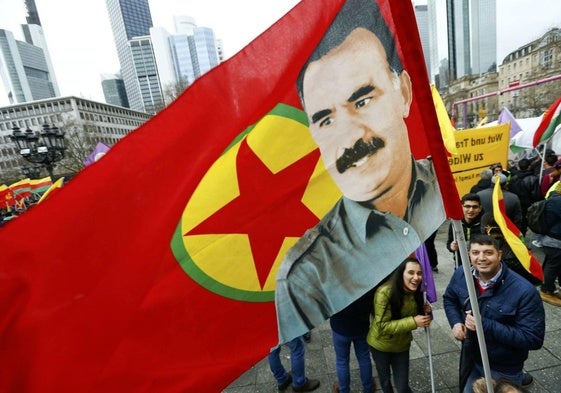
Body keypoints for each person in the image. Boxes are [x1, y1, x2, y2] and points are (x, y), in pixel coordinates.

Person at [275, 0, 445, 343]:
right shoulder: (306, 278)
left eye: (363, 101)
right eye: (326, 119)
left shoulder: (444, 188)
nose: (350, 136)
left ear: (405, 93)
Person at [443, 234, 545, 393]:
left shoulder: (524, 291)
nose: (481, 258)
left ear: (499, 255)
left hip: (503, 369)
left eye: (488, 252)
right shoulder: (462, 273)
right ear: (468, 254)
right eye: (475, 253)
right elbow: (450, 299)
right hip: (471, 358)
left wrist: (484, 324)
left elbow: (533, 338)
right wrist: (456, 322)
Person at [367, 257, 432, 393]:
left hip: (402, 346)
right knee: (385, 383)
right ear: (401, 273)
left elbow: (421, 318)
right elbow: (382, 326)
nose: (416, 277)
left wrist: (426, 313)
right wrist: (413, 322)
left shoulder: (417, 292)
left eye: (419, 273)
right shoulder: (384, 292)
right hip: (380, 346)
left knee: (402, 387)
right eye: (411, 272)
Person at [330, 289, 375, 393]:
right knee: (364, 357)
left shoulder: (333, 278)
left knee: (342, 361)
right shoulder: (366, 278)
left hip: (339, 327)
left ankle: (343, 390)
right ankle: (368, 388)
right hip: (361, 326)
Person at [537, 185, 561, 306]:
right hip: (555, 240)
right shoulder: (557, 201)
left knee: (550, 263)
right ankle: (545, 290)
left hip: (549, 239)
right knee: (552, 266)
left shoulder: (553, 199)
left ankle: (549, 287)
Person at [446, 193, 484, 267]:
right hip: (460, 264)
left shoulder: (484, 224)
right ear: (461, 207)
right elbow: (449, 243)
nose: (471, 210)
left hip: (480, 264)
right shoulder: (455, 223)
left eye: (475, 207)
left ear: (480, 208)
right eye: (467, 206)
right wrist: (452, 247)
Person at [508, 158, 542, 237]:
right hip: (527, 204)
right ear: (529, 166)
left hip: (516, 203)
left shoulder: (513, 178)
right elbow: (536, 195)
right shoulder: (533, 179)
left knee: (516, 221)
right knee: (524, 223)